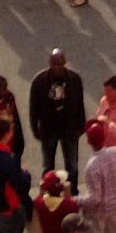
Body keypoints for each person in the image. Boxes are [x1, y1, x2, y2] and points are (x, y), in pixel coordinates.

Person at [30, 48, 88, 188]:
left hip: (69, 129)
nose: (57, 68)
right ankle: (48, 194)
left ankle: (72, 193)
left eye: (60, 64)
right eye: (54, 64)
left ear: (64, 63)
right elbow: (33, 107)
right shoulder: (39, 81)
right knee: (48, 166)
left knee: (72, 166)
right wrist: (35, 129)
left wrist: (81, 126)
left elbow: (80, 104)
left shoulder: (74, 80)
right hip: (48, 129)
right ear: (49, 63)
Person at [82, 119, 116, 233]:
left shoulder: (91, 167)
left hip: (99, 216)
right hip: (115, 210)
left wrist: (77, 200)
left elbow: (95, 198)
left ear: (89, 141)